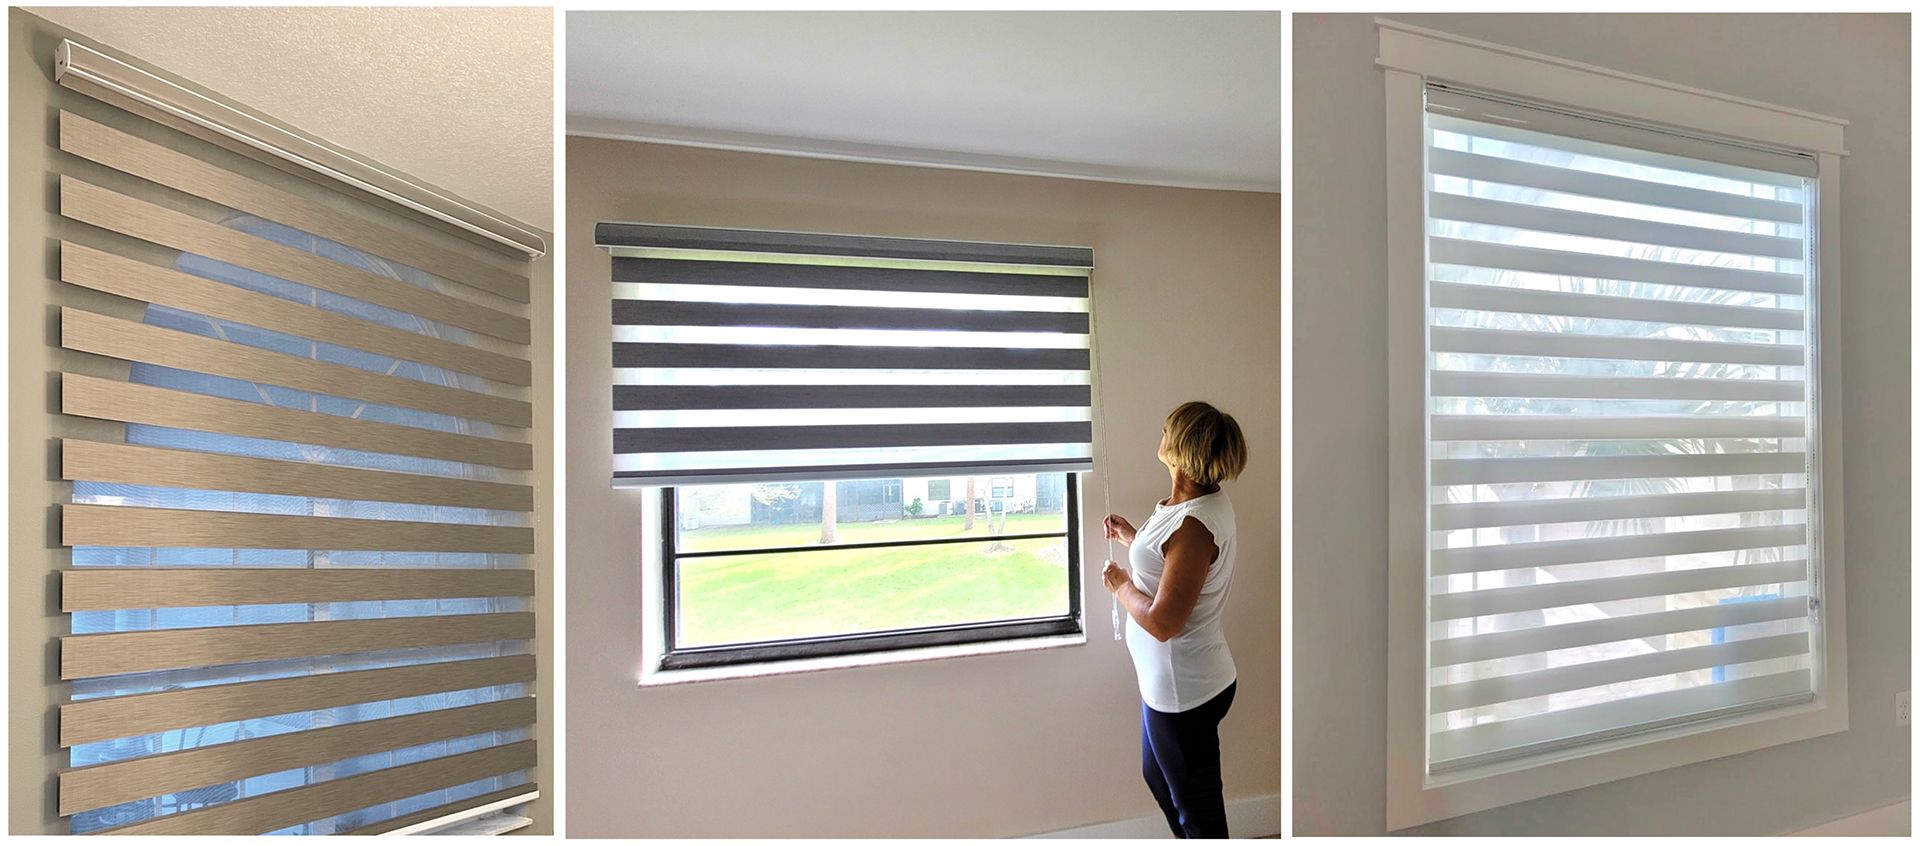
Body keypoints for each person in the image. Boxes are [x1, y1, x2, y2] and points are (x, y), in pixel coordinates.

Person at [1102, 400, 1248, 838]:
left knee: (1198, 813)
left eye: (1167, 429)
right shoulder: (1189, 504)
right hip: (1171, 685)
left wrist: (1121, 585)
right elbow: (1169, 559)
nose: (1160, 433)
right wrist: (1132, 536)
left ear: (1181, 447)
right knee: (1159, 779)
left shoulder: (1196, 525)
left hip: (1185, 691)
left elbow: (1164, 622)